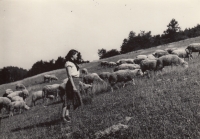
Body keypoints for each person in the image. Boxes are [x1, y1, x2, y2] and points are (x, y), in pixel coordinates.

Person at [62, 49, 82, 122]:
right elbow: (70, 76)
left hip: (75, 81)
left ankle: (67, 115)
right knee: (67, 100)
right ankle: (63, 117)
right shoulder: (68, 63)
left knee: (72, 99)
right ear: (72, 55)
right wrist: (73, 86)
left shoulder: (73, 63)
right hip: (71, 82)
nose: (77, 55)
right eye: (76, 54)